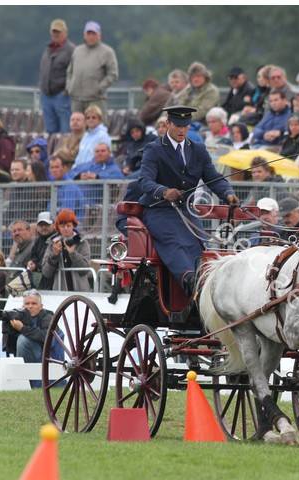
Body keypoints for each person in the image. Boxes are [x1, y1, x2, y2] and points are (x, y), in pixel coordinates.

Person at [119, 105, 239, 295]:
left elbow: (213, 178)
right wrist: (164, 191)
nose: (182, 130)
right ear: (168, 124)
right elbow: (145, 181)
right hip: (159, 211)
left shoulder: (198, 150)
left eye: (185, 126)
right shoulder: (154, 149)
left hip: (186, 212)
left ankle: (204, 281)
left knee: (197, 244)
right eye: (177, 125)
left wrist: (228, 193)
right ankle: (189, 281)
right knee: (173, 242)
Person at [66, 21, 119, 114]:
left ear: (99, 35)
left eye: (94, 33)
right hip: (76, 100)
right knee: (76, 123)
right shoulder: (77, 50)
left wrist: (99, 88)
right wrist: (69, 87)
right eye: (88, 33)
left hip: (96, 100)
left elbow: (113, 74)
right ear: (84, 35)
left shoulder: (107, 52)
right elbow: (69, 72)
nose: (91, 36)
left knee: (97, 123)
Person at [8, 289, 55, 388]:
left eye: (34, 303)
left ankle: (25, 380)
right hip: (27, 355)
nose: (30, 306)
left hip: (47, 356)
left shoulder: (48, 316)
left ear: (41, 306)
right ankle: (16, 378)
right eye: (27, 303)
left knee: (23, 340)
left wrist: (22, 328)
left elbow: (46, 337)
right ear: (23, 306)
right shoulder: (19, 316)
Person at [41, 208, 92, 292]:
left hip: (80, 291)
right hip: (59, 292)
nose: (65, 228)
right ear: (58, 227)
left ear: (73, 226)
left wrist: (73, 253)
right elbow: (46, 273)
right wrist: (54, 255)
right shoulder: (52, 243)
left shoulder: (82, 242)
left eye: (68, 225)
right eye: (62, 226)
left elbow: (85, 270)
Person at [39, 19, 75, 134]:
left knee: (66, 130)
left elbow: (75, 73)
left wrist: (67, 90)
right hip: (46, 96)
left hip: (62, 96)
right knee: (50, 131)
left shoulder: (71, 50)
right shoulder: (48, 49)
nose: (55, 34)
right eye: (54, 32)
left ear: (65, 33)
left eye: (58, 32)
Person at [29, 211, 55, 289]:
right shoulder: (37, 241)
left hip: (54, 280)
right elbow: (34, 257)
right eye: (41, 225)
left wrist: (36, 265)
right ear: (37, 227)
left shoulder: (57, 239)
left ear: (53, 225)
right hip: (40, 278)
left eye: (47, 225)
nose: (44, 227)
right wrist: (32, 263)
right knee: (13, 290)